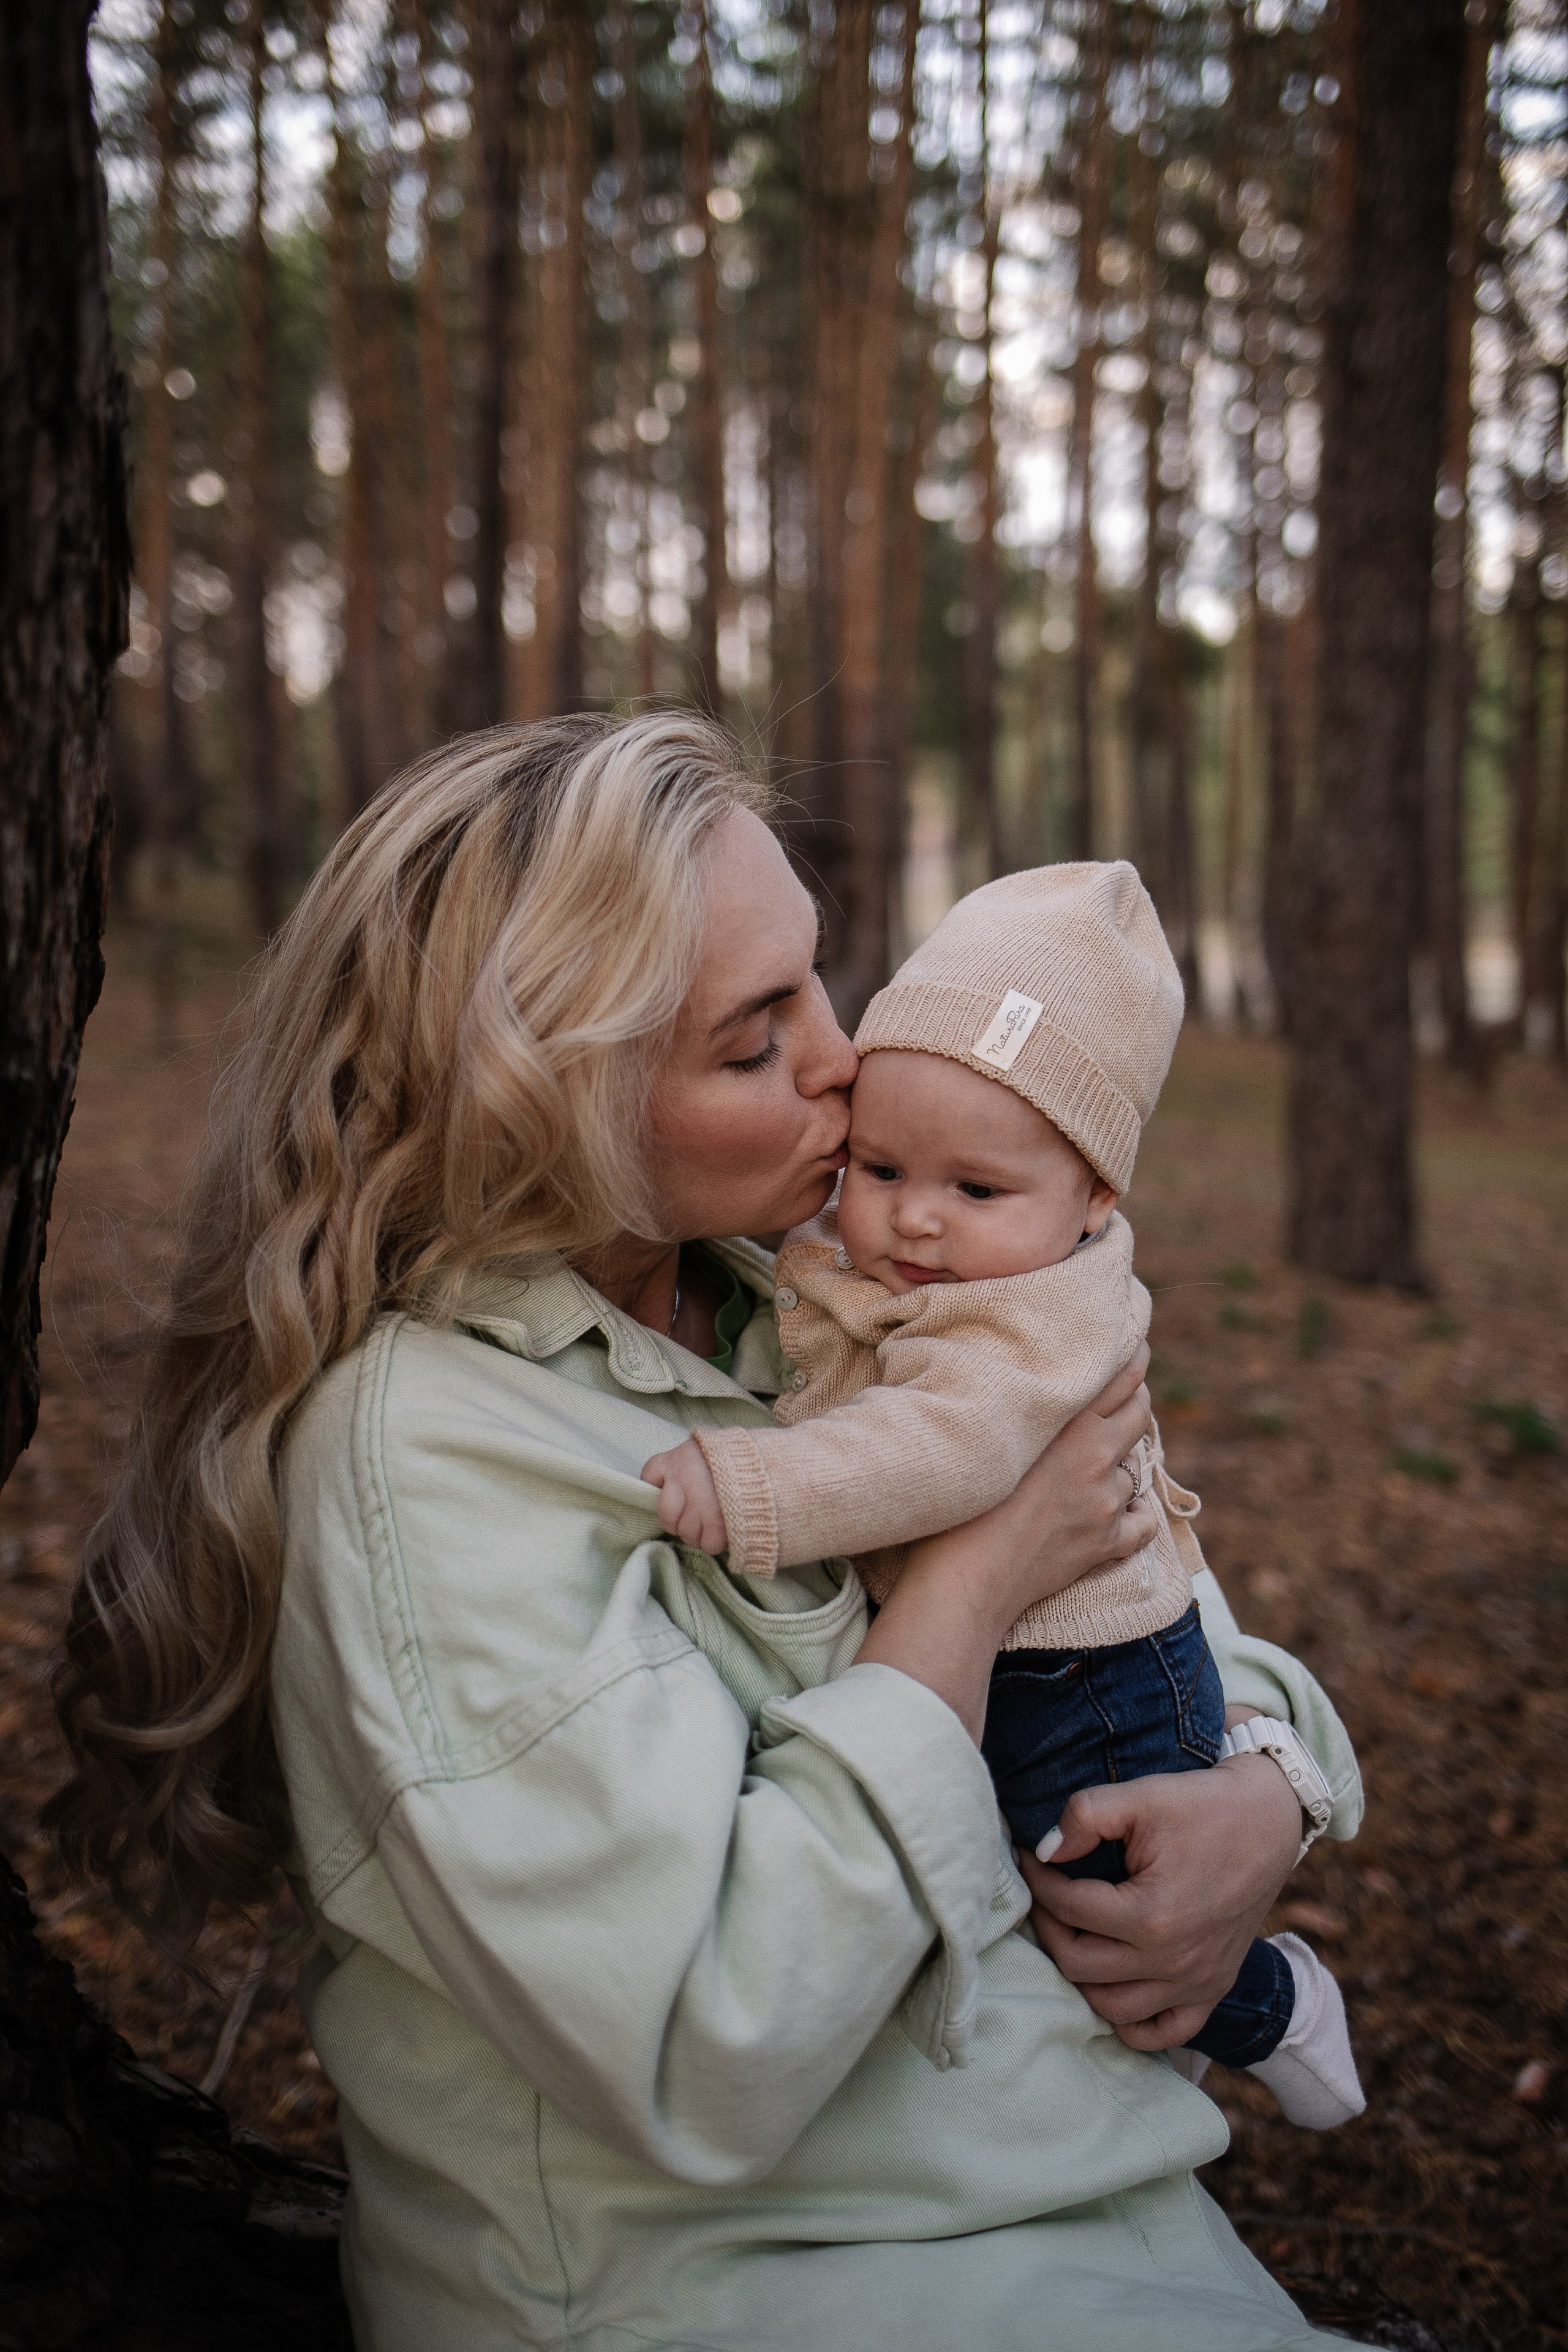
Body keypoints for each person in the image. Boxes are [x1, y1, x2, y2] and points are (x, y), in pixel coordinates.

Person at [50, 714, 1368, 2352]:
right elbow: (713, 2046)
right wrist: (963, 1583)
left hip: (1097, 2216)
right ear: (539, 1106)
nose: (841, 1060)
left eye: (825, 979)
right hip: (758, 2290)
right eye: (754, 1044)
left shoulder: (803, 1292)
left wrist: (1271, 1794)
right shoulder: (427, 1464)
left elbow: (1146, 1591)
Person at [644, 862, 1364, 2134]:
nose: (912, 1219)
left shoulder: (1025, 1325)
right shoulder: (884, 1248)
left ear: (1094, 1200)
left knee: (1092, 1897)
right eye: (878, 1166)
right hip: (1026, 1641)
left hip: (1081, 1675)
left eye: (973, 1191)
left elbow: (933, 1450)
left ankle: (1257, 2009)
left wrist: (750, 1487)